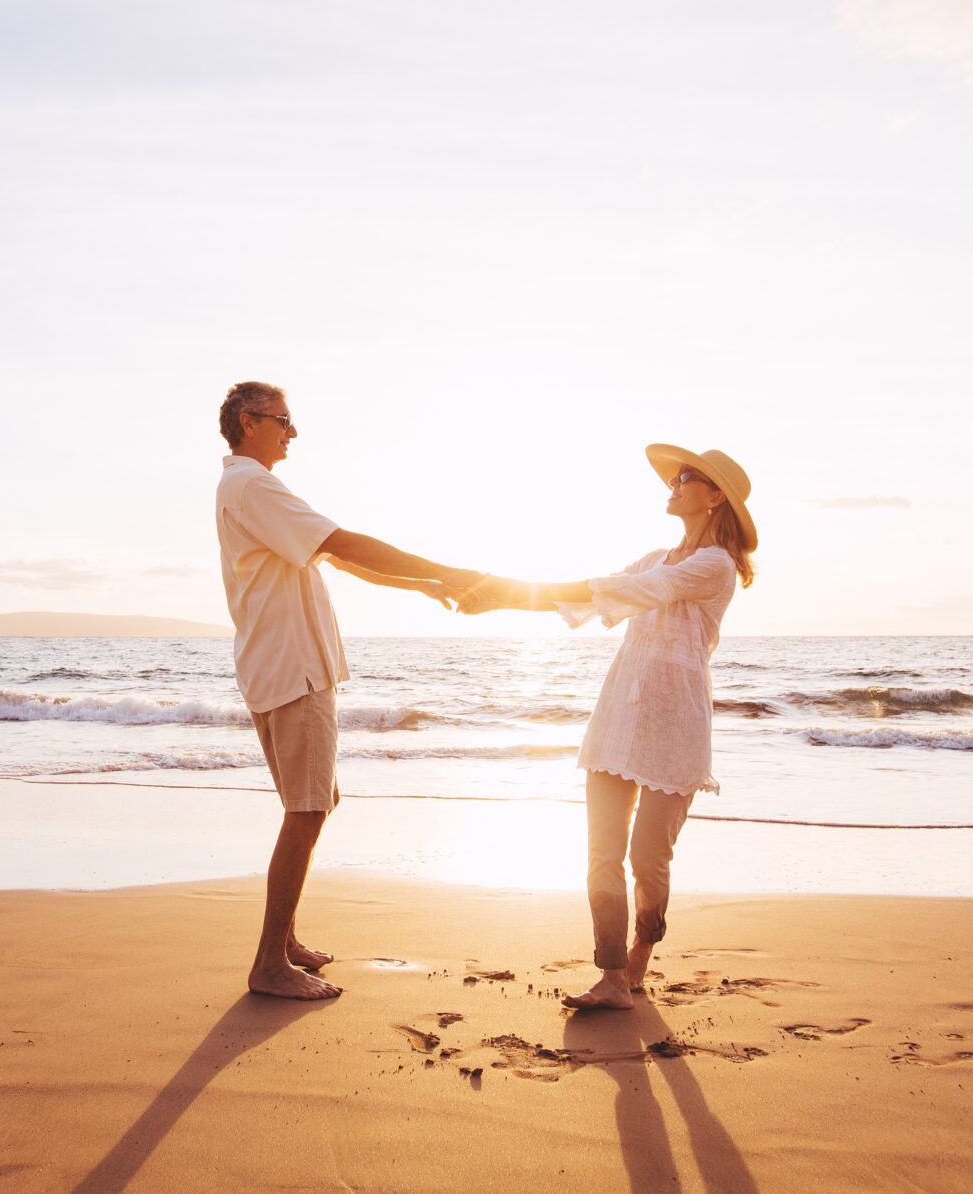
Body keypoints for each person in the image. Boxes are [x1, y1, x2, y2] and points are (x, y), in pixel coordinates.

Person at [458, 444, 756, 1010]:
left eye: (686, 477)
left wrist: (504, 588)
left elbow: (622, 591)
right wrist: (505, 601)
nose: (673, 482)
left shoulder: (714, 565)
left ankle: (640, 958)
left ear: (715, 496)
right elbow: (596, 595)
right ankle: (612, 976)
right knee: (602, 854)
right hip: (619, 718)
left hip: (675, 728)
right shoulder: (652, 558)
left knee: (648, 859)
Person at [215, 381, 482, 1001]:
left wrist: (419, 585)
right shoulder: (253, 483)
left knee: (316, 802)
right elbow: (341, 541)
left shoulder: (244, 488)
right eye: (283, 420)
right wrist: (449, 569)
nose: (293, 432)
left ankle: (282, 944)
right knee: (306, 809)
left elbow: (328, 557)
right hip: (294, 670)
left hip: (279, 666)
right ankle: (269, 965)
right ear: (249, 421)